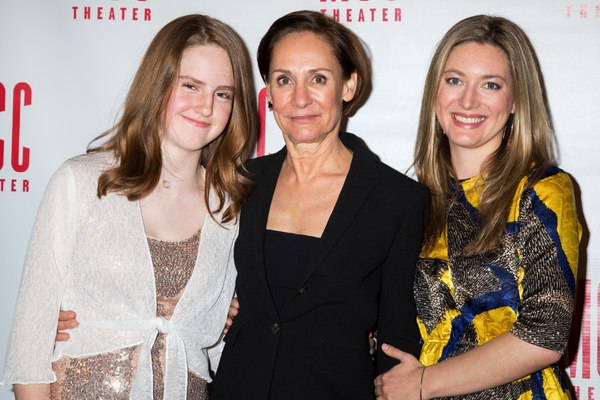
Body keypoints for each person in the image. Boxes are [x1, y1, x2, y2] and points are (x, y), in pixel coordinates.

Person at [1, 14, 257, 400]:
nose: (206, 106)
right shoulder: (83, 182)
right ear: (157, 85)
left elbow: (218, 344)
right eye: (190, 85)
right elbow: (29, 347)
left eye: (223, 93)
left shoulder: (228, 207)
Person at [209, 10, 430, 400]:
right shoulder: (238, 181)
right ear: (269, 92)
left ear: (348, 86)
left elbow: (398, 336)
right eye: (284, 80)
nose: (299, 98)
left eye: (318, 79)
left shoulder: (398, 199)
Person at [374, 15, 581, 400]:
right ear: (435, 91)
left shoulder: (542, 190)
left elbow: (546, 334)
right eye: (454, 80)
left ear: (517, 99)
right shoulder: (410, 198)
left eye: (490, 85)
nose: (468, 101)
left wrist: (421, 384)